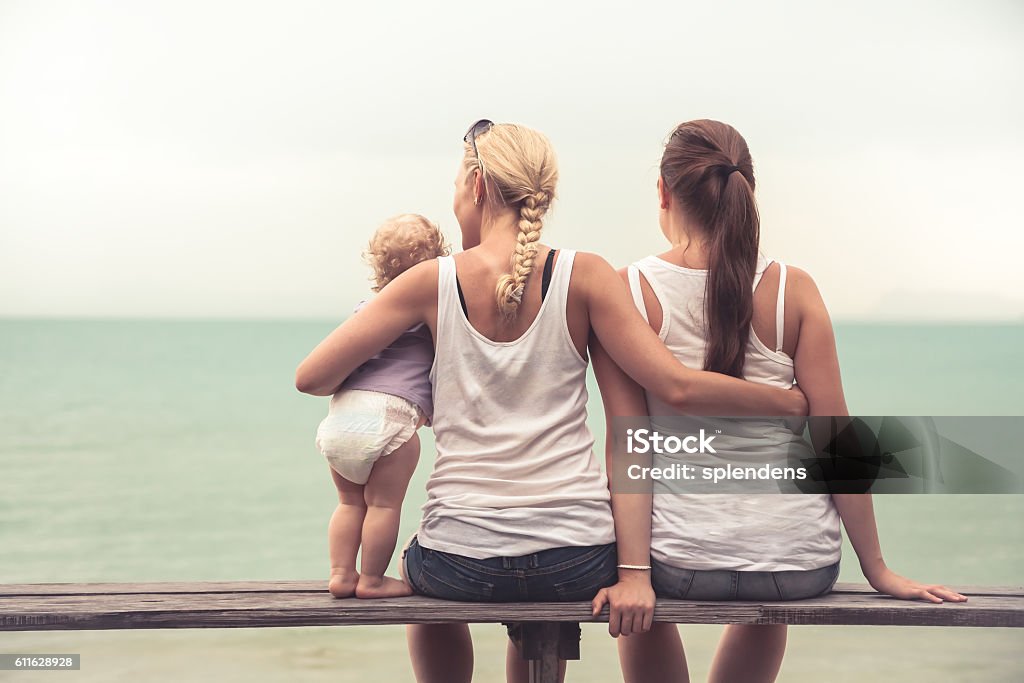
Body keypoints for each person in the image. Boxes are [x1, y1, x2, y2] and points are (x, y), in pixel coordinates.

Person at [295, 120, 806, 683]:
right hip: (576, 556)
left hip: (460, 560)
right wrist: (633, 569)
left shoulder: (428, 282)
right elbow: (629, 427)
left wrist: (397, 381)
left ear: (479, 186)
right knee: (538, 587)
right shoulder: (586, 275)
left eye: (458, 187)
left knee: (419, 570)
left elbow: (311, 378)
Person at [591, 119, 967, 683]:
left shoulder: (626, 291)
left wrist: (636, 572)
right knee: (766, 586)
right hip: (796, 565)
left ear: (664, 193)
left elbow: (631, 448)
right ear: (746, 193)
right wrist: (878, 568)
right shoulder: (795, 289)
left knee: (637, 601)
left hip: (677, 563)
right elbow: (836, 440)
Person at [314, 214, 447, 599]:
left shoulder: (366, 310)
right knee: (384, 506)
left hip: (341, 420)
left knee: (349, 502)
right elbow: (444, 369)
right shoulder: (429, 317)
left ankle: (341, 575)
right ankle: (371, 579)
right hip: (391, 418)